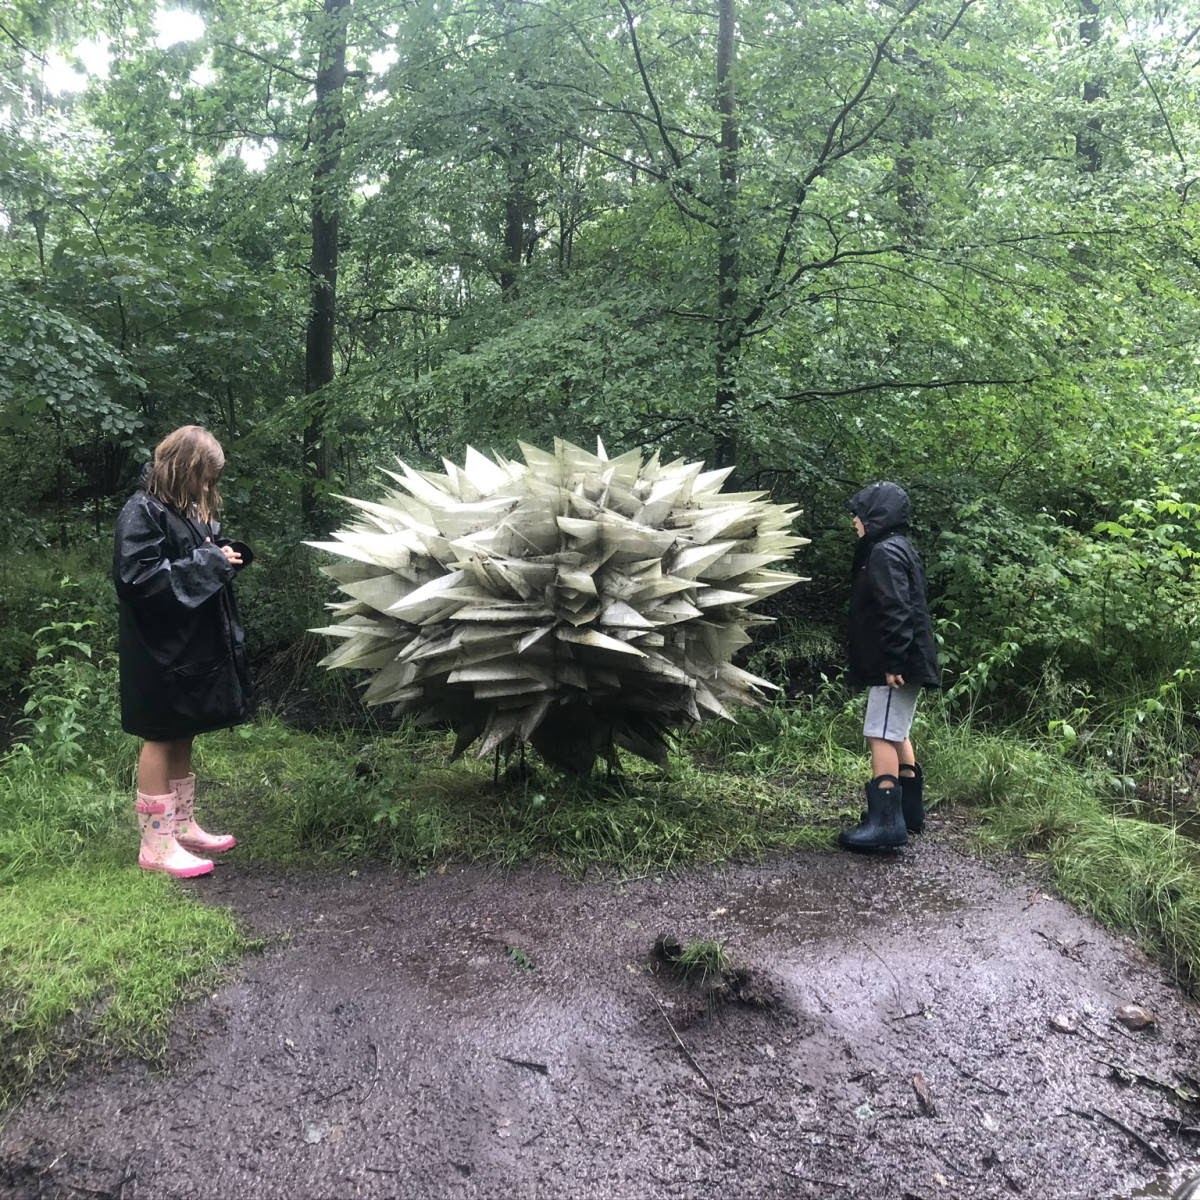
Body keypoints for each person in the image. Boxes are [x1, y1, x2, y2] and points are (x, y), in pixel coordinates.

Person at [113, 425, 254, 878]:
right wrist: (210, 561)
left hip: (188, 643)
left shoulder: (184, 510)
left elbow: (191, 562)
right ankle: (155, 845)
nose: (208, 488)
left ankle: (180, 824)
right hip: (158, 647)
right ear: (183, 468)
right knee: (160, 732)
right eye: (205, 478)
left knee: (184, 728)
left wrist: (222, 555)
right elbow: (137, 580)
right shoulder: (142, 511)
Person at [838, 481, 939, 852]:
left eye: (859, 514)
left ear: (875, 516)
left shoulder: (883, 552)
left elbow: (896, 608)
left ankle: (885, 824)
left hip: (895, 664)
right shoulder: (901, 547)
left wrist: (894, 660)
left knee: (878, 732)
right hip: (908, 658)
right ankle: (908, 813)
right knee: (895, 731)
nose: (854, 521)